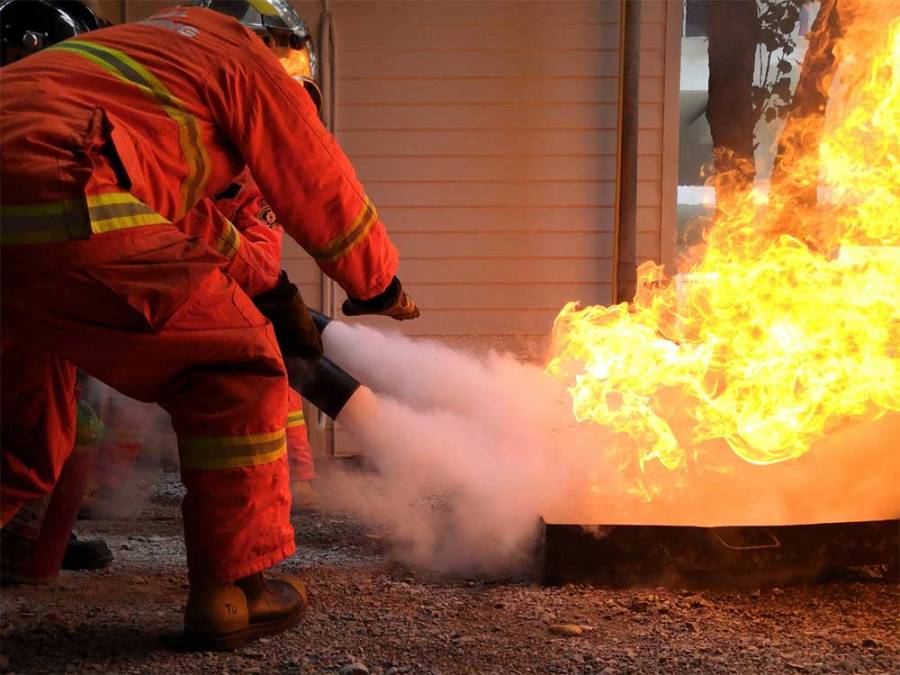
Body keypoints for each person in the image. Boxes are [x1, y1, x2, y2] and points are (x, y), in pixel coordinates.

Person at [0, 0, 419, 651]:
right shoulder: (239, 57)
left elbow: (186, 222)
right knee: (235, 368)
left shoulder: (136, 70)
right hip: (57, 189)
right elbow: (313, 173)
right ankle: (234, 591)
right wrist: (378, 283)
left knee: (19, 436)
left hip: (32, 211)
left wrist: (274, 291)